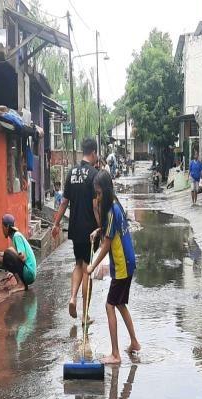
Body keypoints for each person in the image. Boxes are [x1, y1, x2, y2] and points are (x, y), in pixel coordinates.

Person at [86, 170, 140, 364]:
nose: (98, 198)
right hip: (127, 261)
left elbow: (107, 244)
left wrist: (92, 266)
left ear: (106, 191)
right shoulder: (115, 206)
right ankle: (134, 342)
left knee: (110, 305)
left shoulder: (110, 211)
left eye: (99, 194)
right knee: (119, 303)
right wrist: (97, 230)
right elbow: (110, 231)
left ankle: (115, 354)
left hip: (122, 264)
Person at [53, 138, 99, 321]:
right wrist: (102, 227)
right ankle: (85, 315)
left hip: (75, 227)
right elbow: (96, 206)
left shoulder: (71, 172)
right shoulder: (95, 174)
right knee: (88, 268)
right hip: (90, 229)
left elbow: (64, 202)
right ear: (93, 153)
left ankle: (72, 297)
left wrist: (56, 224)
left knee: (78, 264)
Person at [0, 213, 36, 293]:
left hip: (29, 274)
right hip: (28, 273)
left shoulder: (17, 236)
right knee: (7, 253)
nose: (1, 229)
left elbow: (23, 257)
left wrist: (8, 253)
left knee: (7, 253)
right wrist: (12, 272)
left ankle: (21, 284)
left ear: (6, 227)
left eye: (2, 227)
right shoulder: (15, 236)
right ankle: (20, 282)